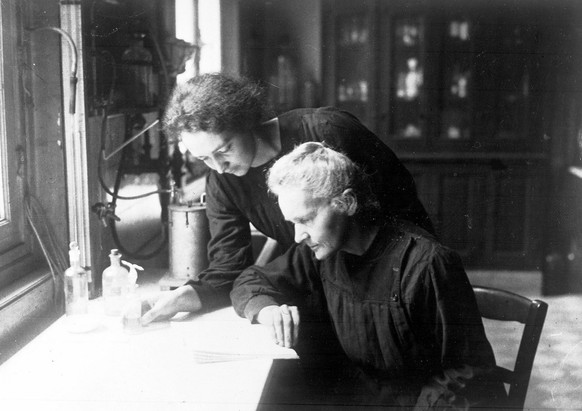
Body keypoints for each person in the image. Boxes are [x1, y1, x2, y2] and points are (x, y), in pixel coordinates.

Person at [230, 142, 508, 409]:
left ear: (347, 203)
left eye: (305, 220)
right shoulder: (319, 251)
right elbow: (250, 280)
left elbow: (467, 375)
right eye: (293, 223)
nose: (298, 235)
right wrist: (266, 309)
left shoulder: (427, 264)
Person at [141, 72, 433, 324]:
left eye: (224, 149)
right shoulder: (223, 183)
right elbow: (229, 267)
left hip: (398, 274)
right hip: (327, 285)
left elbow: (400, 202)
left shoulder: (328, 130)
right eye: (204, 158)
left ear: (246, 120)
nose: (219, 166)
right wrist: (183, 297)